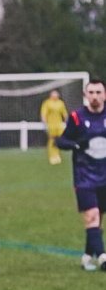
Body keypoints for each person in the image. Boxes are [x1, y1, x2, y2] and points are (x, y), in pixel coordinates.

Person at [56, 78, 106, 271]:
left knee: (97, 218)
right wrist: (77, 144)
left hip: (104, 176)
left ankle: (87, 257)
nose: (94, 96)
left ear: (104, 95)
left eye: (98, 92)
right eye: (91, 92)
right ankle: (102, 258)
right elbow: (61, 142)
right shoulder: (77, 117)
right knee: (91, 215)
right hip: (84, 177)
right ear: (86, 95)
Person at [40, 89, 68, 165]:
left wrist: (66, 120)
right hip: (51, 125)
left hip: (59, 124)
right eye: (54, 94)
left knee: (59, 140)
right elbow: (43, 113)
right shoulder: (47, 103)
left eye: (56, 94)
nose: (55, 95)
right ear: (51, 95)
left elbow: (64, 113)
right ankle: (52, 156)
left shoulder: (60, 103)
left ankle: (57, 155)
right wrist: (44, 122)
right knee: (52, 140)